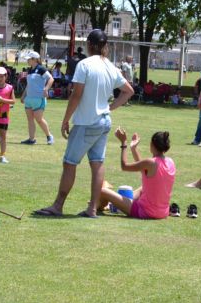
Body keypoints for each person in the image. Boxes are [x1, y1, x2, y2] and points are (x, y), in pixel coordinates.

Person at [34, 29, 133, 218]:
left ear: (89, 45)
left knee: (70, 163)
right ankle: (92, 208)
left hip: (86, 122)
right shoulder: (110, 66)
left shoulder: (84, 65)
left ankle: (58, 205)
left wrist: (65, 120)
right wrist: (110, 107)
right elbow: (128, 91)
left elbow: (76, 95)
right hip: (104, 122)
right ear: (104, 46)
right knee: (97, 164)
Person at [98, 129, 176, 219]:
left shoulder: (151, 162)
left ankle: (104, 206)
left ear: (152, 145)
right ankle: (116, 204)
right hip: (163, 213)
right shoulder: (171, 162)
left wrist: (124, 143)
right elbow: (144, 167)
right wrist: (133, 149)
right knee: (143, 188)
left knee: (102, 191)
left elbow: (124, 166)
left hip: (145, 211)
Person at [20, 51, 54, 145]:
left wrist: (46, 89)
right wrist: (23, 96)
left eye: (28, 59)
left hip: (39, 98)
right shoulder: (30, 70)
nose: (27, 60)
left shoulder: (41, 69)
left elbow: (51, 79)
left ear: (34, 59)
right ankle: (31, 139)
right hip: (29, 99)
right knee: (30, 119)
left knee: (39, 119)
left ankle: (49, 136)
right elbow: (29, 85)